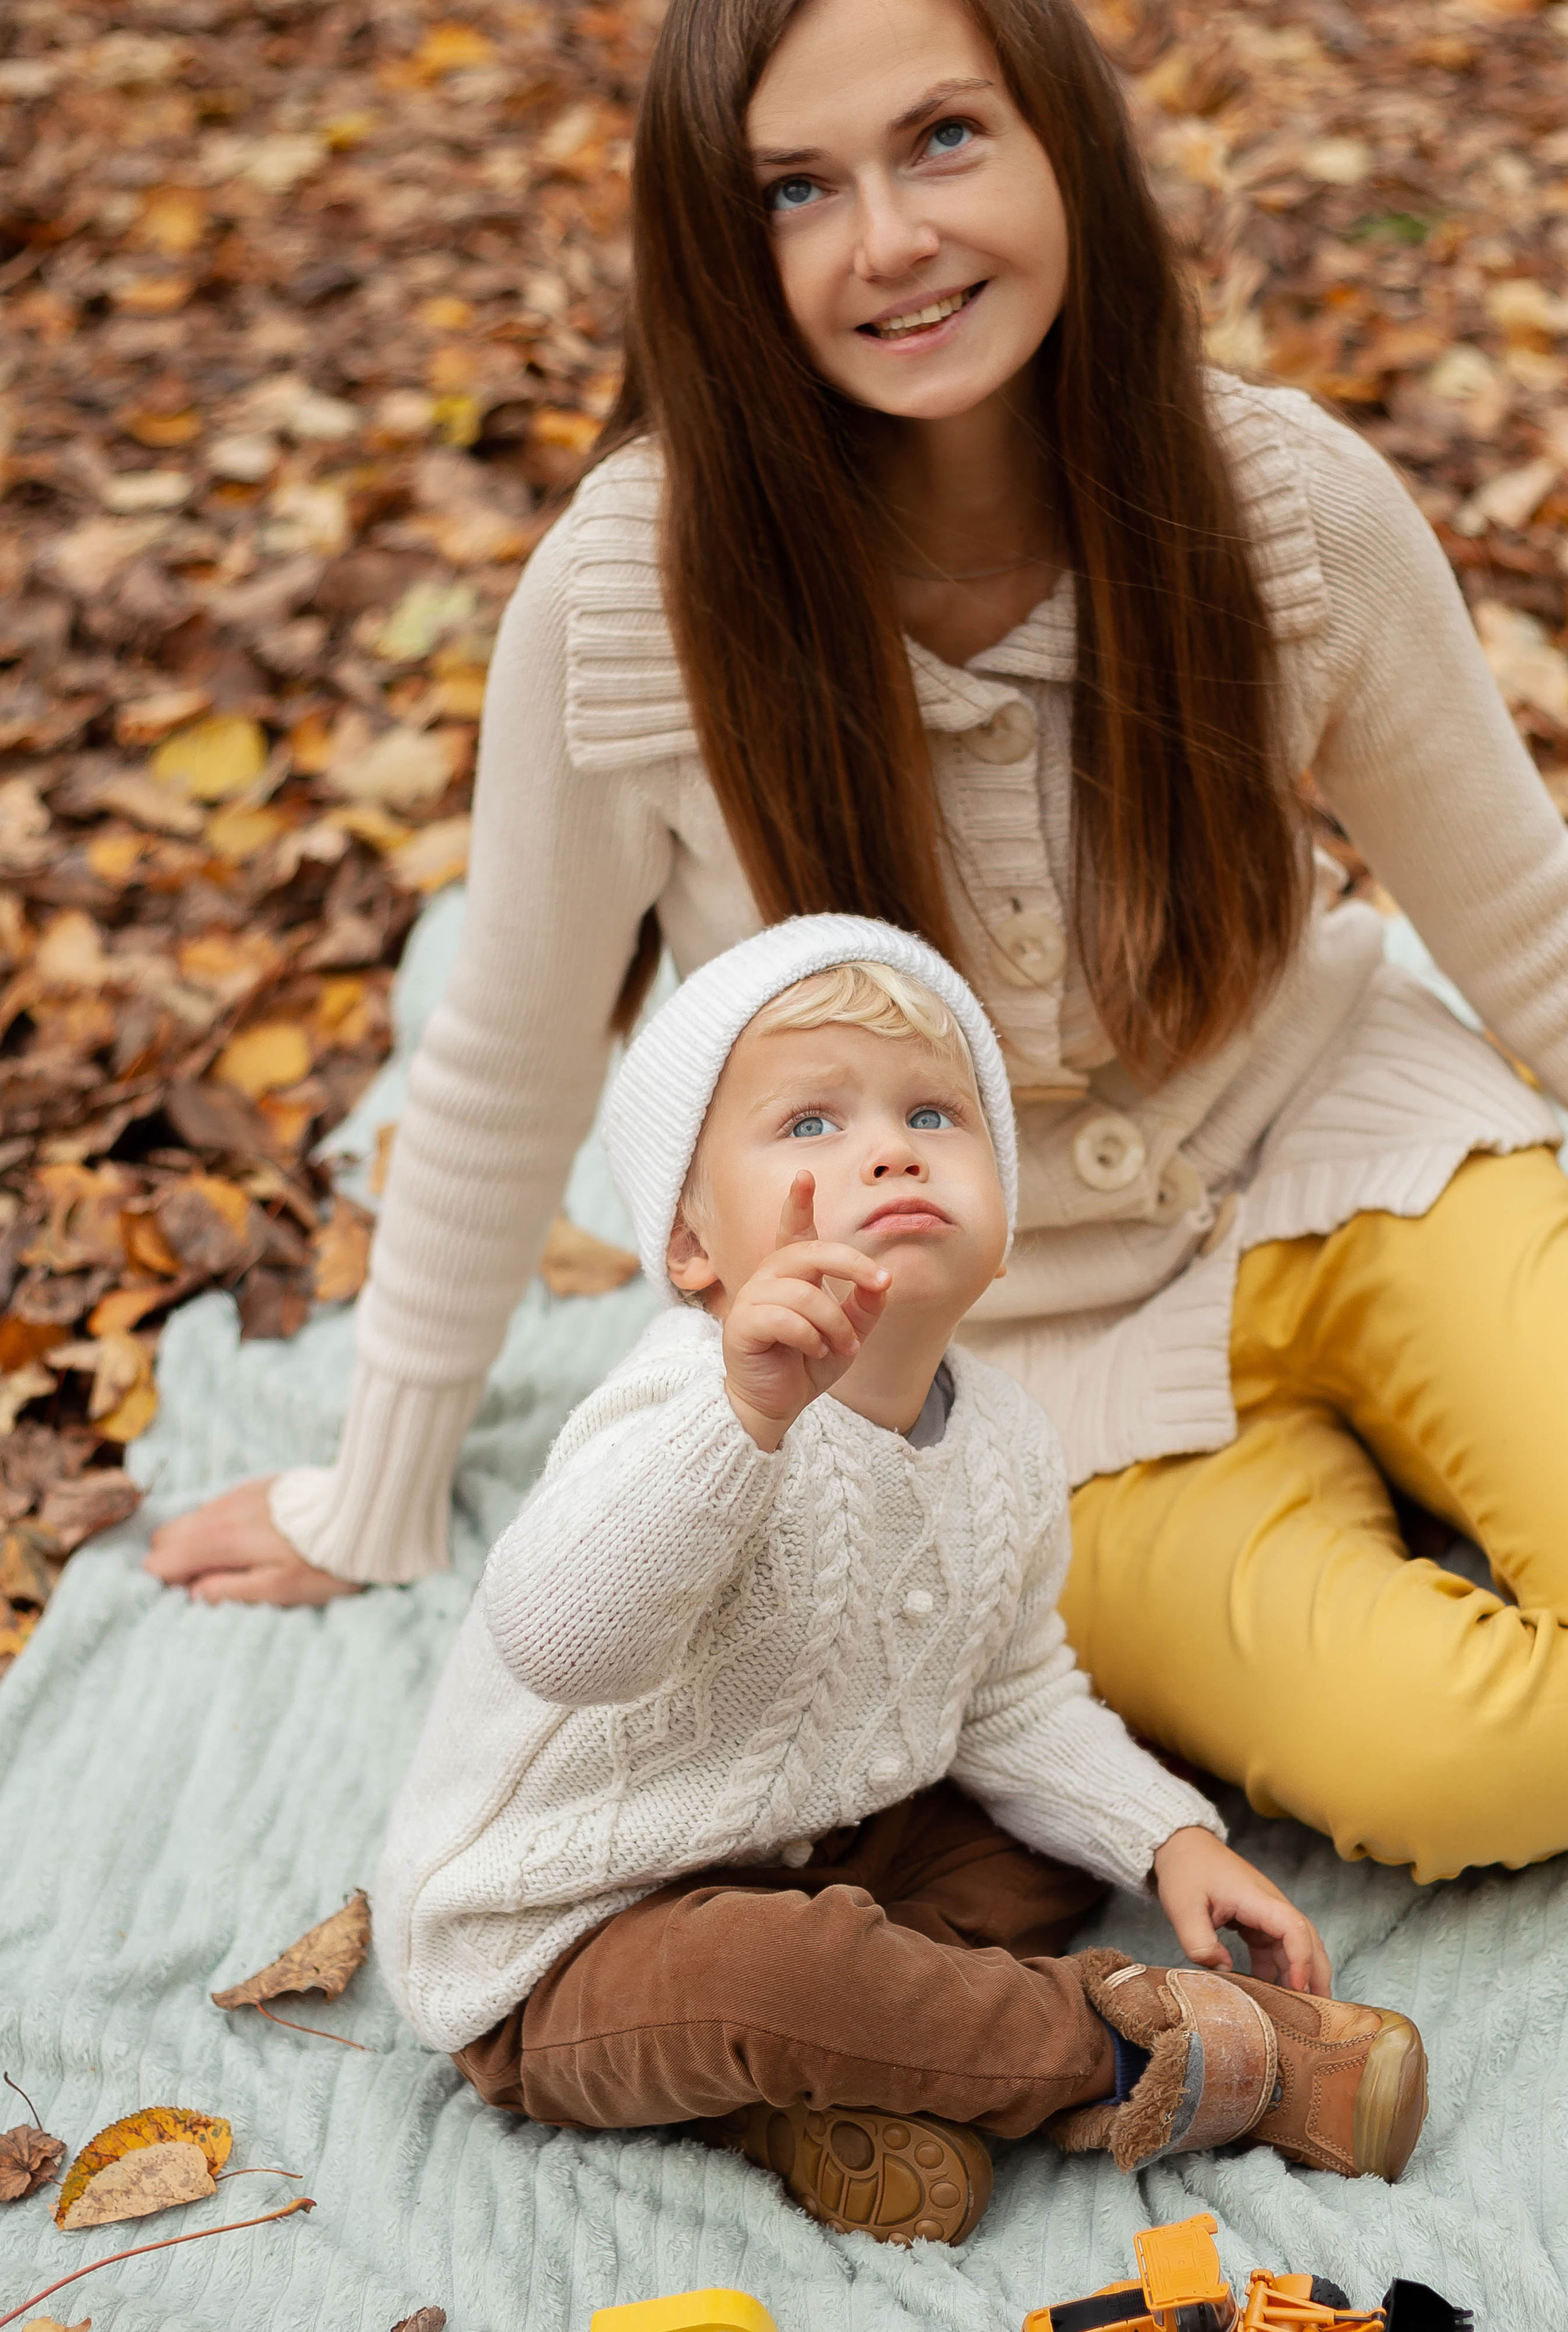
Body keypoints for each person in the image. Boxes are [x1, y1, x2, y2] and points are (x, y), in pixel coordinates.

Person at [150, 0, 1568, 1885]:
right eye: (797, 190)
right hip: (997, 1361)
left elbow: (1544, 932)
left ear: (1065, 141)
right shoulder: (633, 600)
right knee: (1437, 1772)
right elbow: (504, 1060)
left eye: (944, 139)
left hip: (1350, 1154)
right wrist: (381, 1488)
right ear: (721, 255)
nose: (890, 241)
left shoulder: (1283, 509)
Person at [376, 919, 1430, 2243]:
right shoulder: (682, 1403)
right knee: (786, 1973)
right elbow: (558, 1639)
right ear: (696, 1248)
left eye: (934, 1112)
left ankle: (850, 2079)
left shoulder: (1001, 1440)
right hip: (573, 1942)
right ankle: (1167, 2058)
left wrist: (1166, 1835)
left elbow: (1009, 1697)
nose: (887, 1147)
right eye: (808, 1125)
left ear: (1002, 1225)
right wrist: (743, 1420)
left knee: (1038, 1853)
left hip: (822, 1841)